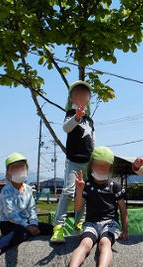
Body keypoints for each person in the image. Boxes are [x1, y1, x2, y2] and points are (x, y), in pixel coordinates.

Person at [58, 146, 128, 267]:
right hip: (91, 224)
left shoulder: (115, 186)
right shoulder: (87, 185)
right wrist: (79, 189)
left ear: (110, 168)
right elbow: (78, 207)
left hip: (110, 224)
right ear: (91, 165)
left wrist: (125, 229)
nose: (101, 169)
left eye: (105, 166)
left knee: (105, 242)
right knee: (85, 243)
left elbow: (122, 208)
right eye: (98, 165)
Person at [0, 153, 53, 267]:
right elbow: (10, 214)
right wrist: (27, 226)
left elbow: (32, 209)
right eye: (15, 168)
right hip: (9, 223)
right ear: (7, 173)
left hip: (27, 223)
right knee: (21, 232)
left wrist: (33, 223)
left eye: (22, 167)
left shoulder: (28, 189)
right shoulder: (6, 190)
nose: (19, 170)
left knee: (50, 228)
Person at [50, 81, 95, 243]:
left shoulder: (90, 120)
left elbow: (93, 140)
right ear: (71, 98)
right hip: (73, 160)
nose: (82, 97)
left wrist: (95, 157)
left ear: (89, 99)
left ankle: (80, 223)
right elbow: (66, 128)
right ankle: (58, 226)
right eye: (78, 94)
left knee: (83, 193)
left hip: (88, 162)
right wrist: (76, 117)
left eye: (85, 95)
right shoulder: (71, 114)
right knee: (68, 192)